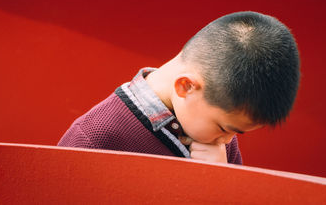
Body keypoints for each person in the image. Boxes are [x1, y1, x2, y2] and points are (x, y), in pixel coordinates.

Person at [58, 11, 300, 164]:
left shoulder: (218, 143)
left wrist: (223, 182)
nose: (227, 140)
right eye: (225, 129)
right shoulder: (91, 140)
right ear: (186, 86)